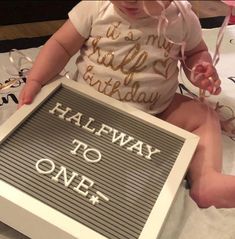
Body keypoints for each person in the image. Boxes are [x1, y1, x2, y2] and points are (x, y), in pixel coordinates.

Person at [18, 0, 234, 208]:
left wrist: (200, 69)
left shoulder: (182, 18)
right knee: (53, 105)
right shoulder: (96, 6)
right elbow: (62, 45)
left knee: (203, 116)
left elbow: (195, 53)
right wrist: (37, 79)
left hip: (154, 113)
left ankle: (206, 179)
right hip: (88, 112)